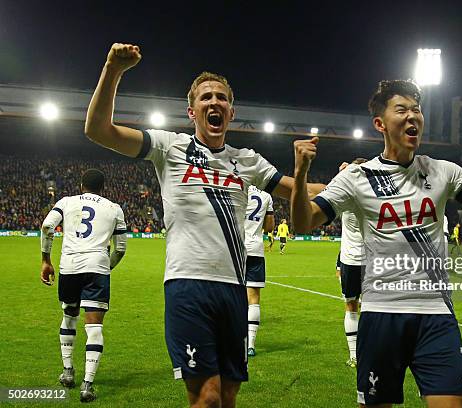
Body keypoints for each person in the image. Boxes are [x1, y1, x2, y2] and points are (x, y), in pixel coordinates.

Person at [84, 43, 324, 408]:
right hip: (188, 286)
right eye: (206, 97)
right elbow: (99, 130)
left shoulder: (248, 161)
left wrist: (350, 178)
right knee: (206, 397)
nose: (215, 102)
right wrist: (113, 70)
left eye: (222, 98)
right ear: (192, 111)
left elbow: (303, 194)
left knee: (228, 396)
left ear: (231, 111)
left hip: (233, 290)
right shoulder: (169, 147)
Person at [290, 79, 462, 407]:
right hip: (382, 314)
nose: (413, 116)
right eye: (402, 110)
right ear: (380, 124)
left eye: (417, 109)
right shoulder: (357, 178)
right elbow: (304, 221)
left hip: (436, 315)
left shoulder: (442, 172)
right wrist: (300, 174)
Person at [40, 169, 127, 403]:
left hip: (69, 266)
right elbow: (120, 248)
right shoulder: (113, 208)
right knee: (94, 327)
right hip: (97, 267)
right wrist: (105, 267)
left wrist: (46, 260)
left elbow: (47, 227)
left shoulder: (67, 202)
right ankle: (87, 385)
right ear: (103, 188)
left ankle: (68, 372)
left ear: (81, 185)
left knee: (69, 316)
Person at [337, 158, 367, 368]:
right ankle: (373, 351)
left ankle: (354, 355)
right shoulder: (372, 196)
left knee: (351, 306)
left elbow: (329, 192)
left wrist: (343, 173)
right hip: (373, 260)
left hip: (350, 260)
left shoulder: (346, 197)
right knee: (375, 308)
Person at [244, 185, 275, 357]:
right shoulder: (266, 195)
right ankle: (251, 344)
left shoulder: (237, 188)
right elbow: (269, 228)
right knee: (253, 298)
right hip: (255, 249)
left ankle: (231, 340)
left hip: (235, 249)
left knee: (232, 295)